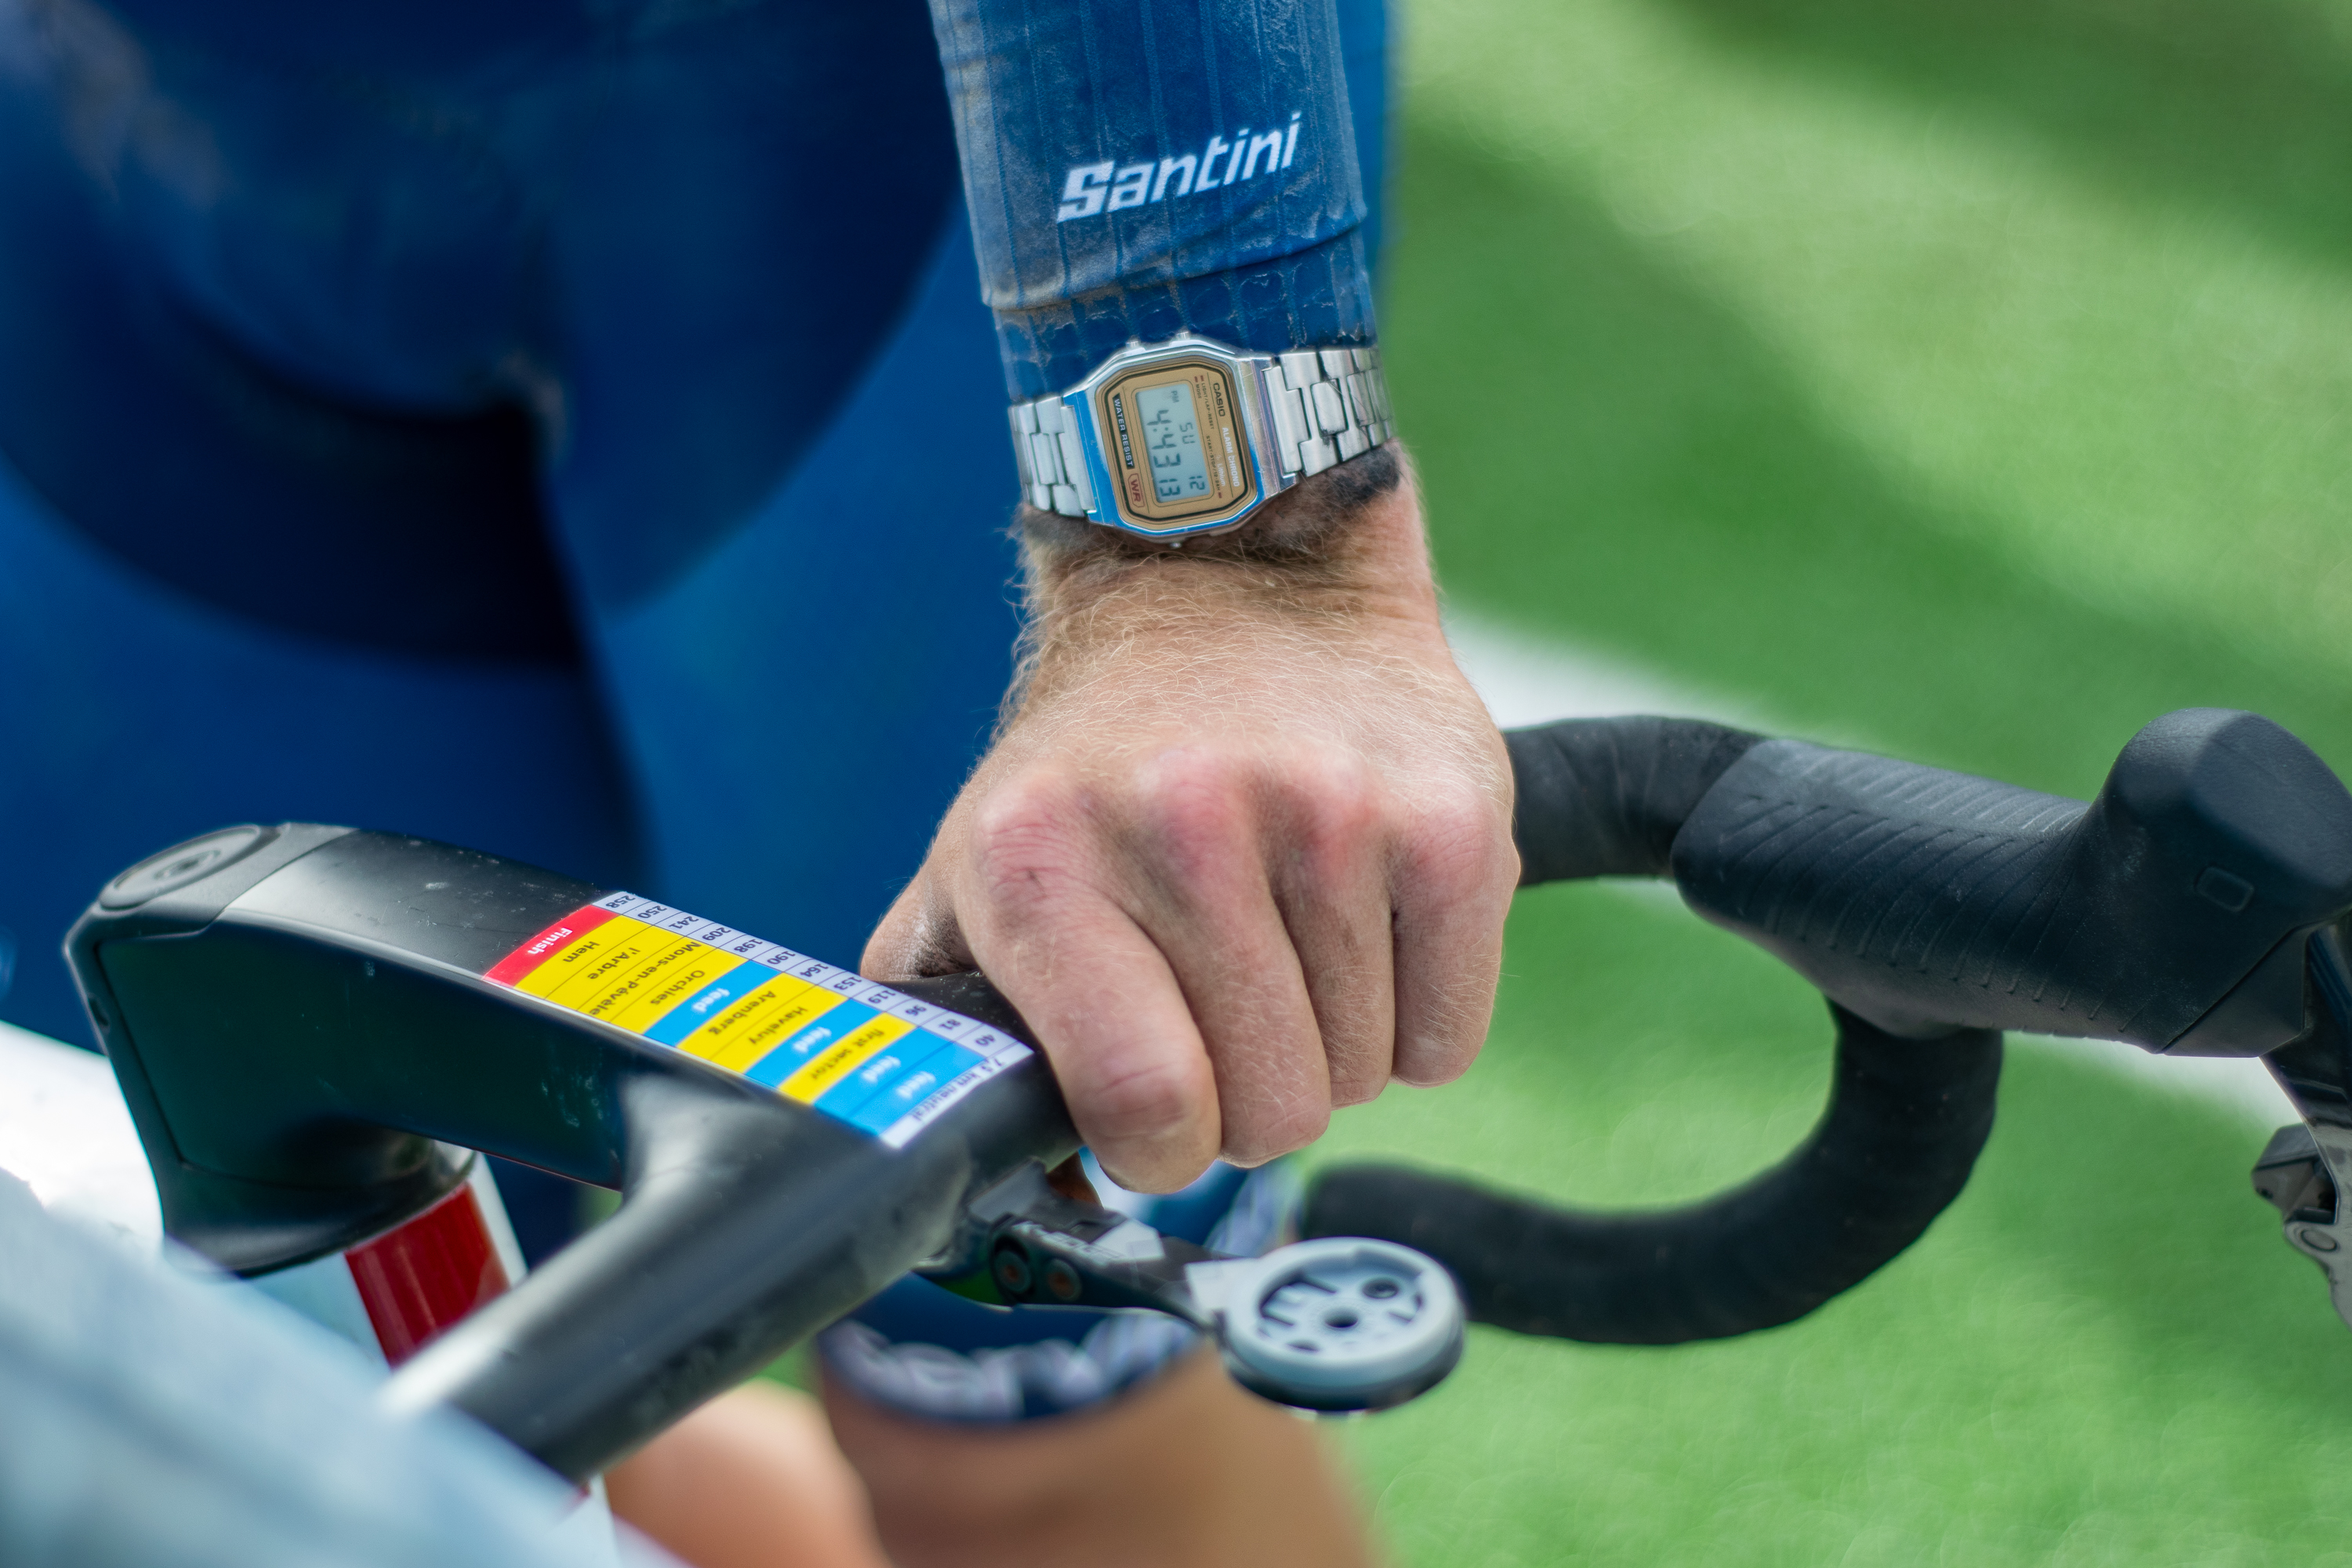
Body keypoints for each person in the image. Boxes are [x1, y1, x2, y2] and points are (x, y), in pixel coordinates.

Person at [0, 1, 1517, 1563]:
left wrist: (1228, 543)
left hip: (851, 152)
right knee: (266, 1384)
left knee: (1031, 1448)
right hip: (119, 145)